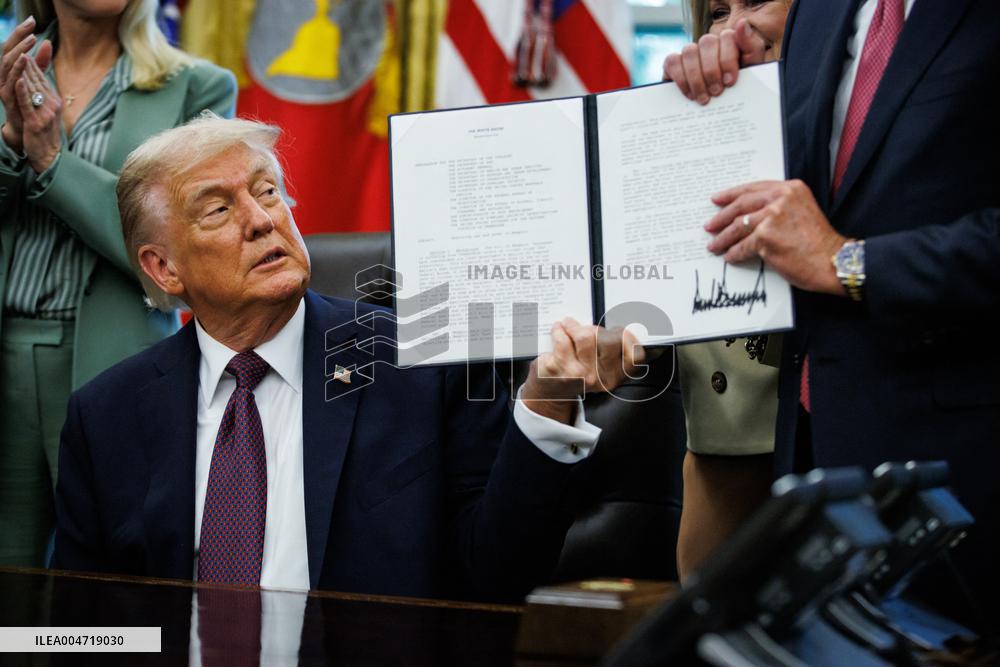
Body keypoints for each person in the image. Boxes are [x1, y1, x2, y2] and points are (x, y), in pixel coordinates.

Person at [51, 114, 644, 601]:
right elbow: (81, 634)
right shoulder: (104, 418)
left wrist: (547, 401)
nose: (261, 220)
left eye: (267, 191)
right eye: (218, 210)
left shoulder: (422, 360)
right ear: (163, 268)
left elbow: (497, 576)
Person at [665, 0, 1000, 626]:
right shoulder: (821, 12)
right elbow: (795, 198)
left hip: (965, 477)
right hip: (817, 467)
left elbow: (829, 245)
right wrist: (709, 110)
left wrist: (851, 262)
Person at [0, 0, 236, 567]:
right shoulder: (7, 71)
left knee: (114, 581)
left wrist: (53, 162)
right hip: (7, 352)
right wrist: (10, 144)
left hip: (121, 364)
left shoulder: (197, 86)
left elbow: (179, 244)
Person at [672, 0, 791, 581]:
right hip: (730, 454)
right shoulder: (685, 147)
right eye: (717, 10)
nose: (732, 28)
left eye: (758, 0)